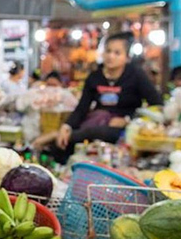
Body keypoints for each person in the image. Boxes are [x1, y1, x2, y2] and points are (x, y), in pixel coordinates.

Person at [53, 33, 163, 163]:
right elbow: (82, 108)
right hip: (96, 123)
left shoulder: (136, 75)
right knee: (62, 142)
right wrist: (67, 126)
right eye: (108, 51)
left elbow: (157, 105)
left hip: (125, 129)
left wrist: (128, 120)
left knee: (97, 133)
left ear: (126, 57)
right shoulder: (94, 77)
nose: (111, 56)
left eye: (117, 53)